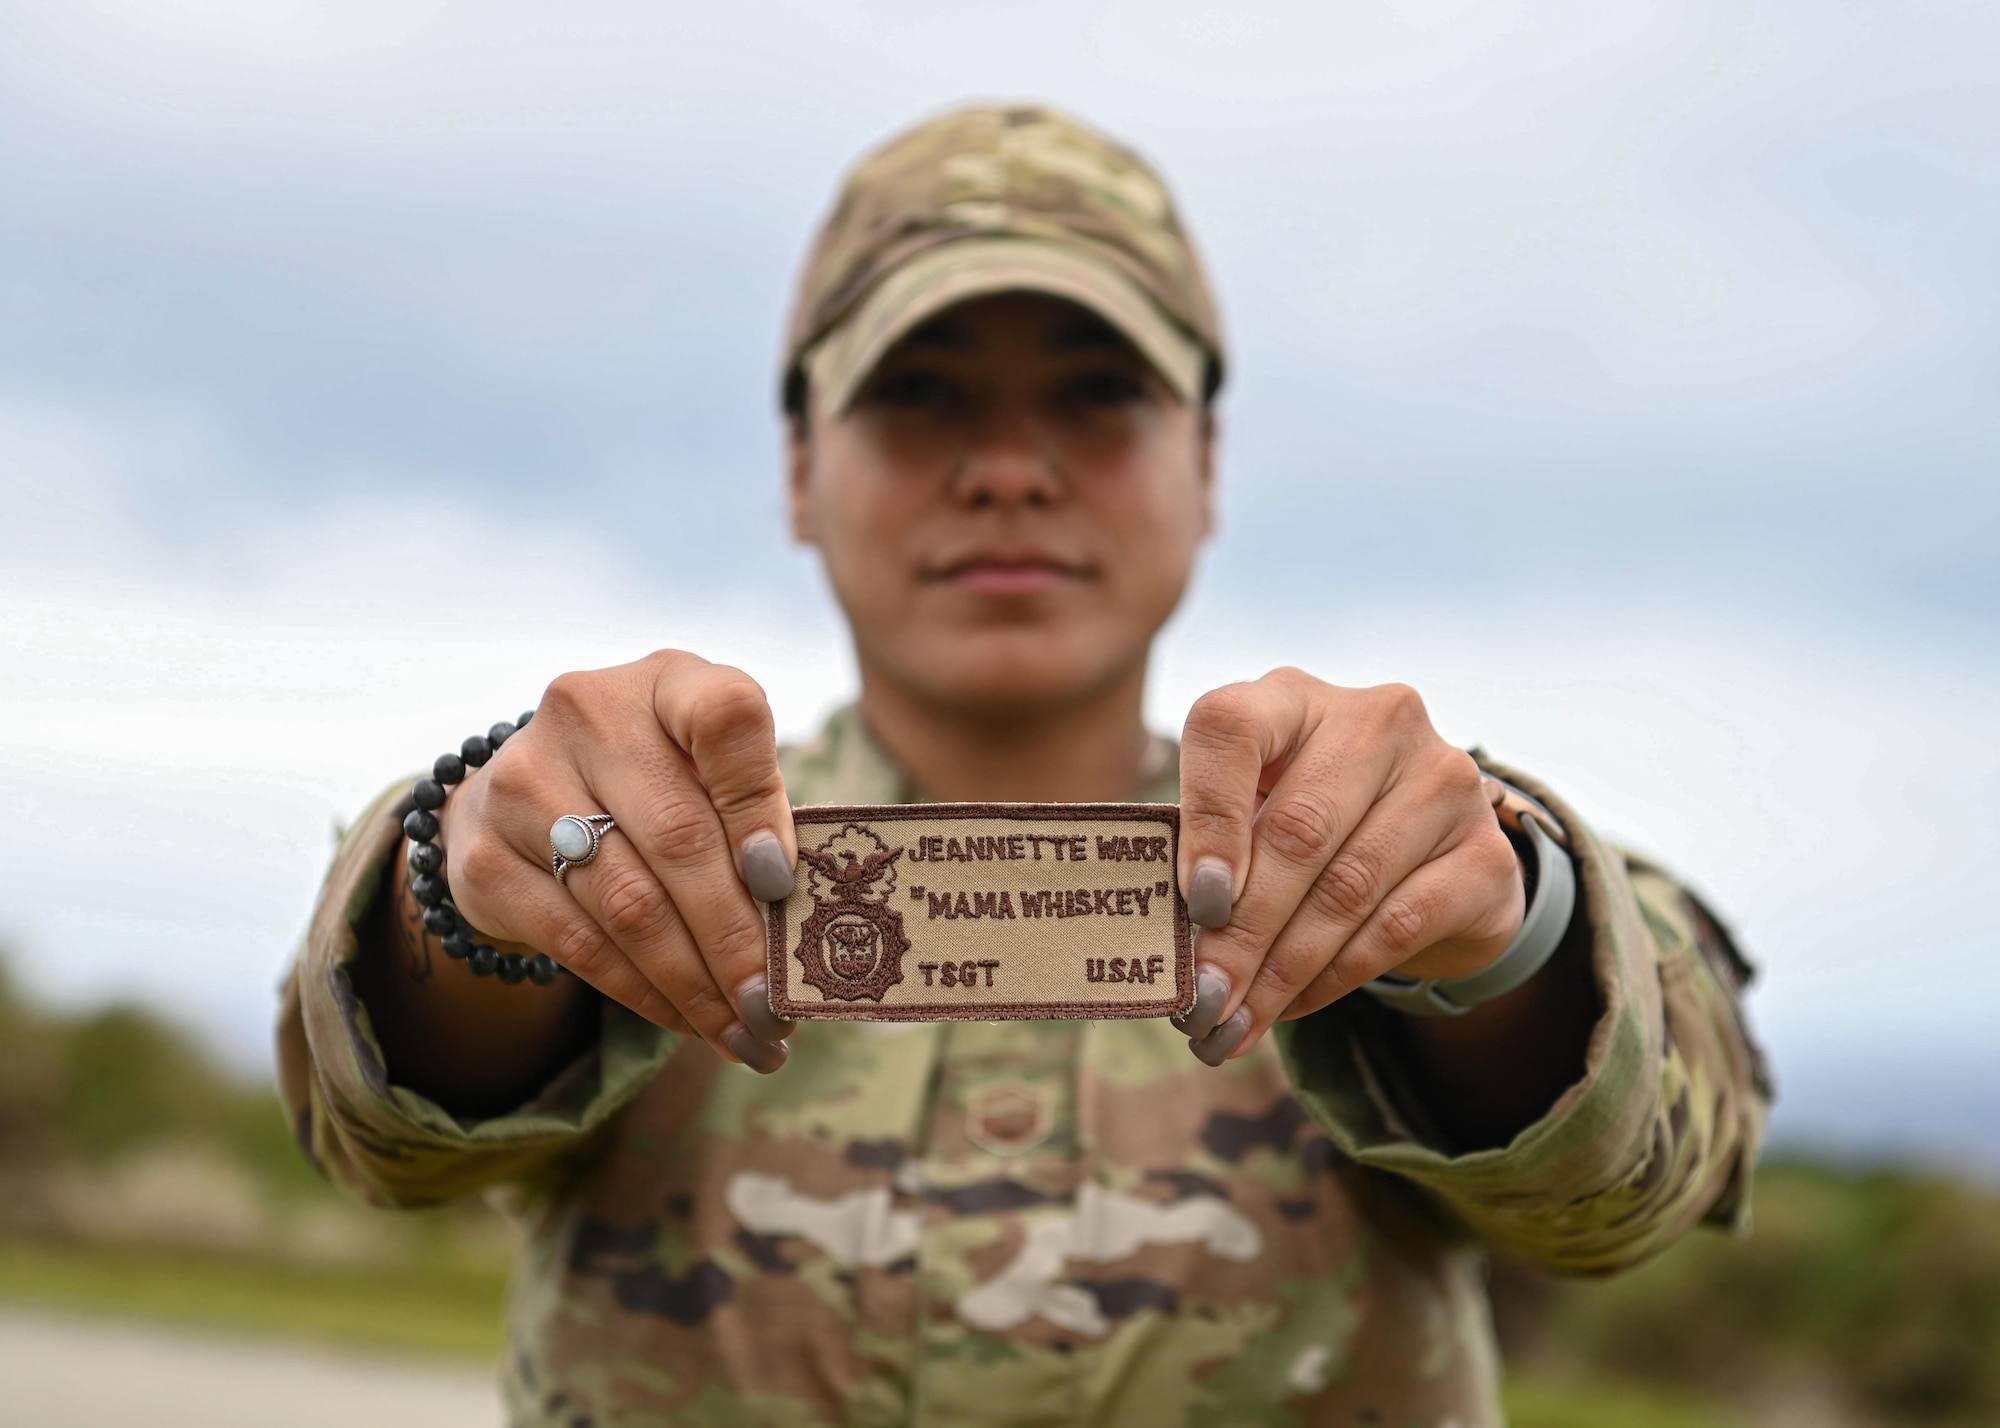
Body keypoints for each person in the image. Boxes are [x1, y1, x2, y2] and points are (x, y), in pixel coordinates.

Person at [278, 103, 1770, 1427]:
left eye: (1097, 392)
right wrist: (463, 883)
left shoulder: (1424, 848)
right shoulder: (623, 830)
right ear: (800, 469)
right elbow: (380, 1139)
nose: (1008, 465)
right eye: (917, 391)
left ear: (1209, 465)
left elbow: (1642, 1181)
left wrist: (1505, 927)